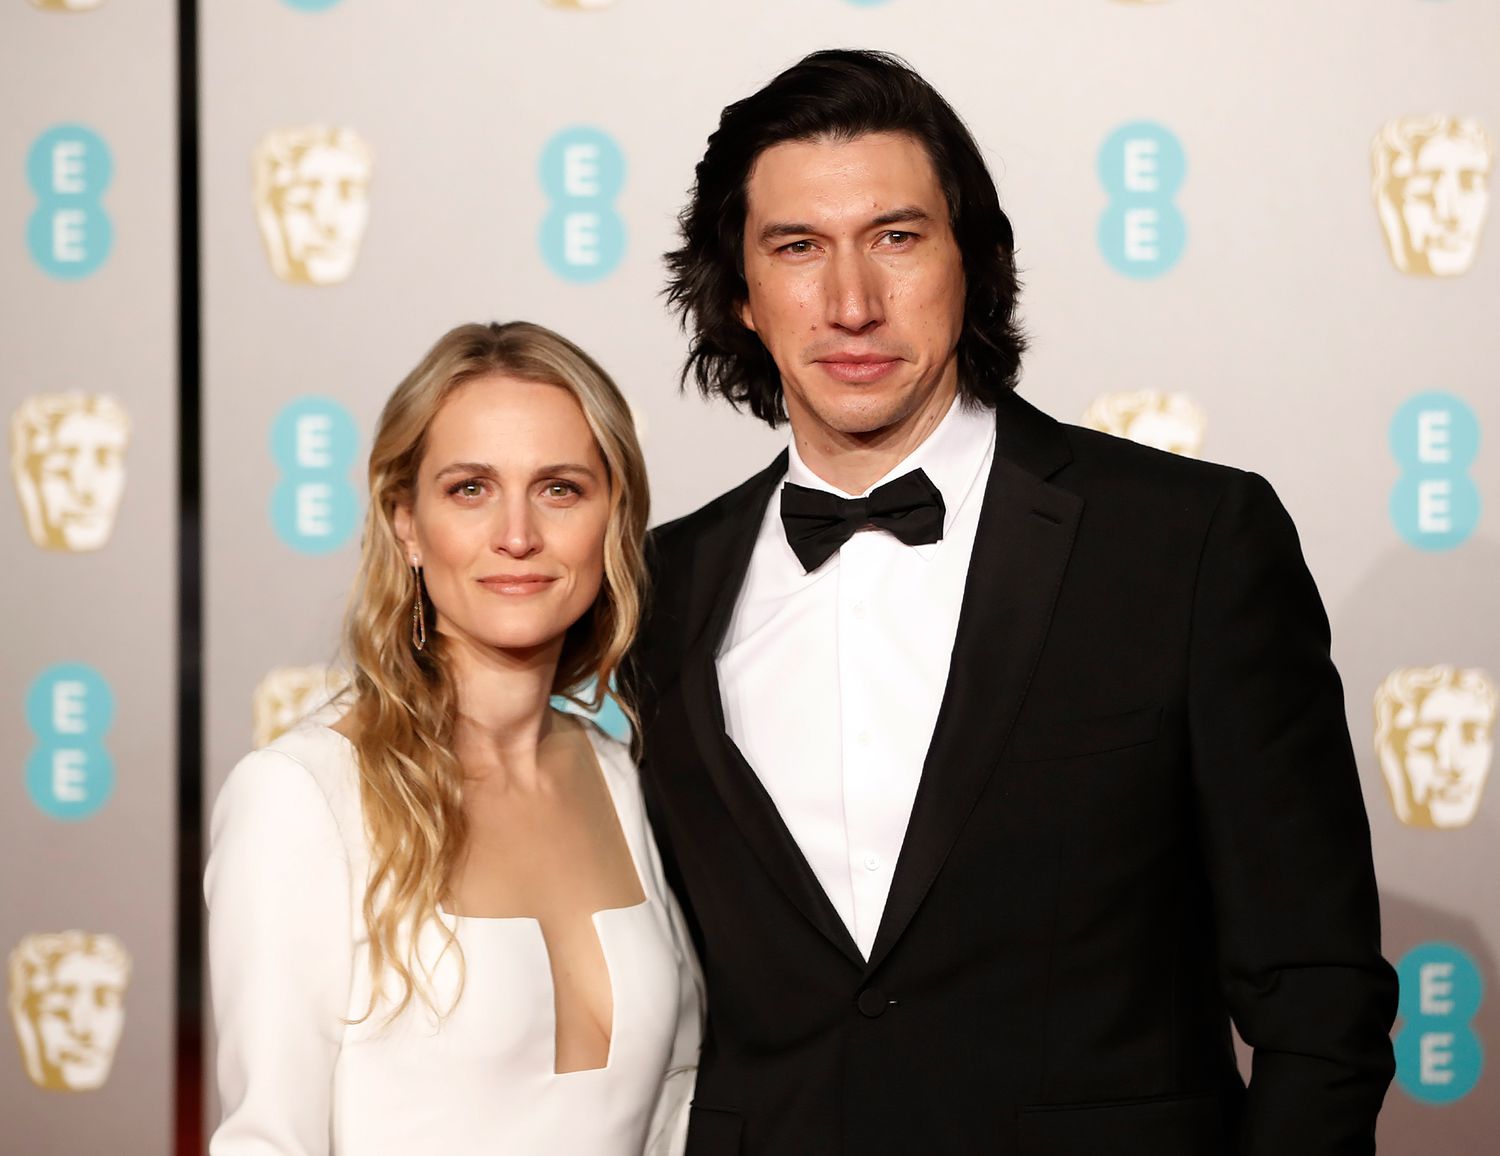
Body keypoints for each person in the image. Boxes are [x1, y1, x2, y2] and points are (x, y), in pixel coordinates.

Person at [633, 50, 1397, 1154]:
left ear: (974, 262)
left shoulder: (1183, 543)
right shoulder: (657, 590)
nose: (851, 302)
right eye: (797, 248)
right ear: (742, 294)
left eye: (896, 237)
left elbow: (1318, 993)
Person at [206, 322, 700, 1155]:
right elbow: (267, 1143)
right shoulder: (303, 796)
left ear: (612, 516)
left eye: (560, 488)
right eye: (470, 488)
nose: (517, 534)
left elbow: (672, 1114)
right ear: (406, 522)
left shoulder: (620, 776)